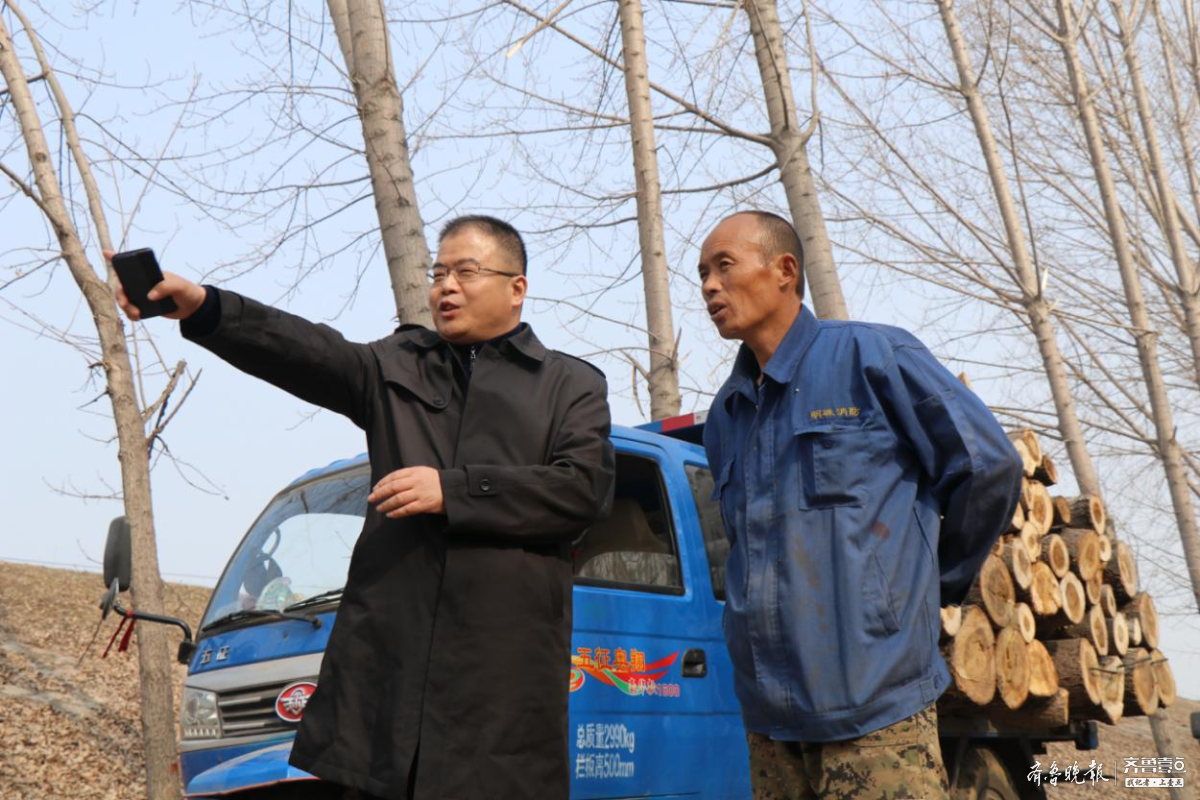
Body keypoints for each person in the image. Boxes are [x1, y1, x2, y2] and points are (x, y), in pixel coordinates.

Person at [111, 215, 615, 800]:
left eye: (466, 272)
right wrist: (205, 307)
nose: (446, 287)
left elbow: (582, 488)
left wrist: (451, 490)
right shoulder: (398, 363)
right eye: (439, 273)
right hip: (387, 687)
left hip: (499, 689)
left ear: (516, 287)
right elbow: (308, 350)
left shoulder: (568, 386)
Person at [697, 211, 1023, 800]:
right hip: (771, 723)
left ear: (784, 271)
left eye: (724, 267)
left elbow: (987, 465)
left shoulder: (873, 358)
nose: (709, 287)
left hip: (877, 710)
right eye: (701, 275)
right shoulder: (727, 412)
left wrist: (935, 582)